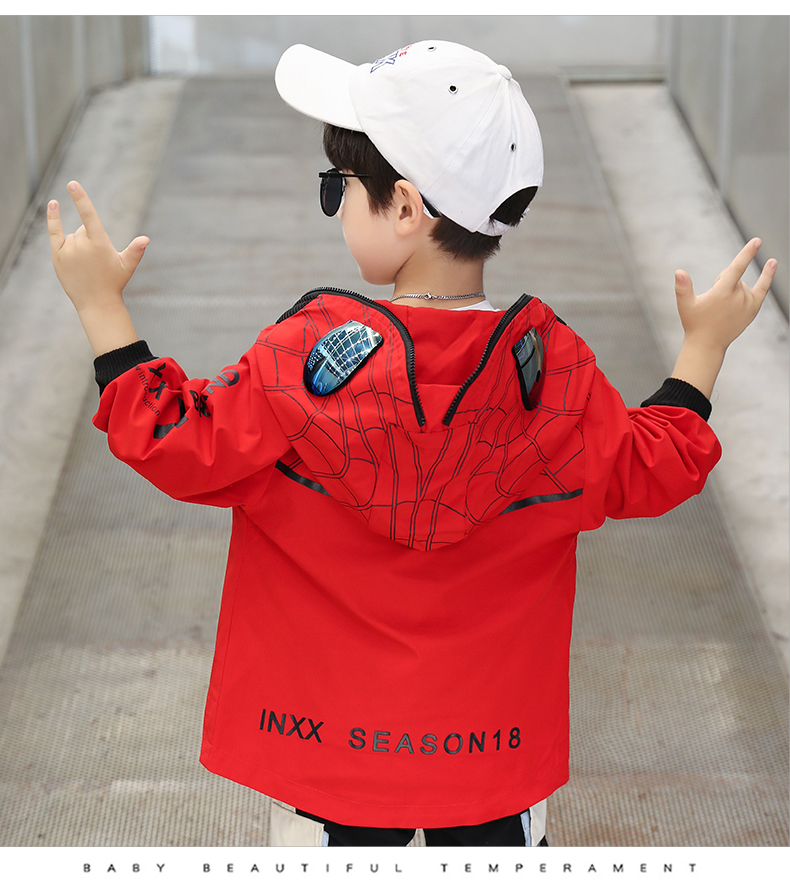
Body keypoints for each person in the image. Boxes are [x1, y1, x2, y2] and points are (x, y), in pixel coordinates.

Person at [47, 40, 777, 847]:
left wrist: (102, 308)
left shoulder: (300, 364)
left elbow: (173, 439)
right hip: (493, 759)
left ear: (402, 206)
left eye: (338, 188)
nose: (335, 207)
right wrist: (703, 347)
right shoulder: (553, 376)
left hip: (325, 760)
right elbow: (654, 465)